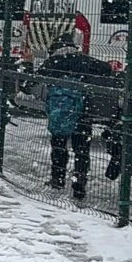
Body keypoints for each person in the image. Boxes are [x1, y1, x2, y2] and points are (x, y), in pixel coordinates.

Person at [36, 33, 120, 201]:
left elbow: (35, 79)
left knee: (59, 146)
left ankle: (57, 179)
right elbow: (107, 69)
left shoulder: (52, 62)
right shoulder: (85, 60)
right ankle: (79, 184)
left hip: (60, 112)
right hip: (82, 111)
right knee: (82, 150)